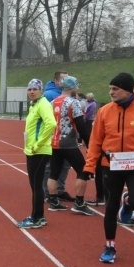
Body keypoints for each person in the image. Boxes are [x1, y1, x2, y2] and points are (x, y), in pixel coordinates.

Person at [82, 73, 134, 263]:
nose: (111, 92)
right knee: (111, 207)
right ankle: (110, 246)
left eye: (115, 89)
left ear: (127, 90)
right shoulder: (104, 111)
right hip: (111, 165)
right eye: (110, 89)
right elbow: (95, 142)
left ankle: (127, 201)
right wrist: (89, 167)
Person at [45, 76, 94, 215]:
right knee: (83, 170)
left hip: (54, 142)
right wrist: (89, 144)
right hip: (68, 142)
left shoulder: (53, 102)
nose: (78, 87)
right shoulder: (73, 102)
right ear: (71, 86)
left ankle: (53, 201)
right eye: (76, 85)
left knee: (54, 172)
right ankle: (79, 203)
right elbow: (80, 125)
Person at [16, 79, 56, 229]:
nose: (32, 92)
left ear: (41, 90)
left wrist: (38, 144)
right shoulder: (34, 105)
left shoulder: (43, 103)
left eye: (35, 89)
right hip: (32, 150)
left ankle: (36, 218)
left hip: (39, 150)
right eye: (29, 89)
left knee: (36, 185)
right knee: (34, 185)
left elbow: (51, 123)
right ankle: (39, 216)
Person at [43, 71, 73, 202]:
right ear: (56, 81)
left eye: (68, 79)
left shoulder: (68, 94)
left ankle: (59, 190)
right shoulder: (49, 95)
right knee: (51, 166)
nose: (67, 81)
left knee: (65, 165)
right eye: (63, 79)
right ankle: (48, 192)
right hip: (54, 136)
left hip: (66, 136)